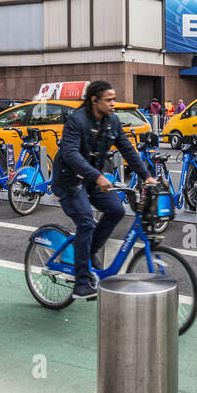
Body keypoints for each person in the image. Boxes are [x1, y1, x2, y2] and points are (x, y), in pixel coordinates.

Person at [56, 81, 156, 300]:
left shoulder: (112, 121)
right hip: (70, 180)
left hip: (93, 179)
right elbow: (70, 154)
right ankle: (81, 283)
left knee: (116, 210)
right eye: (109, 100)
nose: (113, 103)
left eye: (114, 98)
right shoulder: (77, 120)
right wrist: (98, 176)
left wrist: (147, 176)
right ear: (95, 100)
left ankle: (89, 251)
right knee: (85, 221)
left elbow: (128, 150)